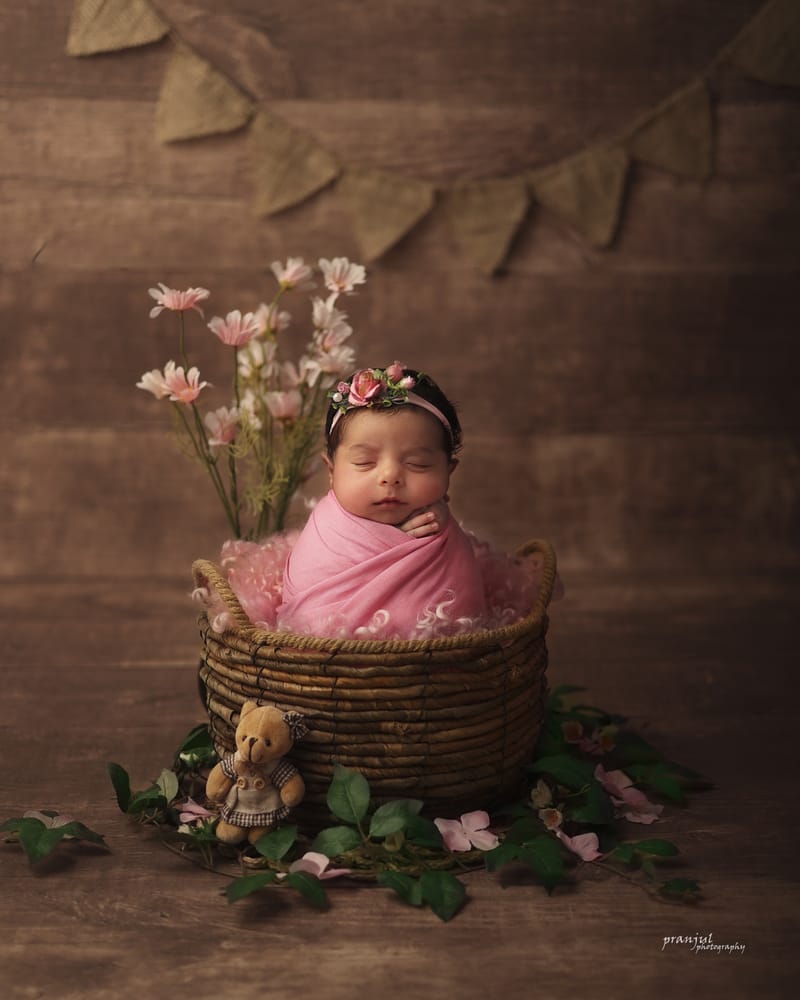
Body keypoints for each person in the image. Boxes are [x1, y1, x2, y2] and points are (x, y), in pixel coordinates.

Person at [275, 363, 487, 638]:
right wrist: (394, 541)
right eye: (365, 462)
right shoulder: (326, 532)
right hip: (327, 664)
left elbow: (461, 598)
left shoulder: (438, 524)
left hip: (438, 665)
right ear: (332, 471)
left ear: (448, 473)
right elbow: (308, 611)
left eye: (418, 463)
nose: (390, 476)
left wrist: (430, 534)